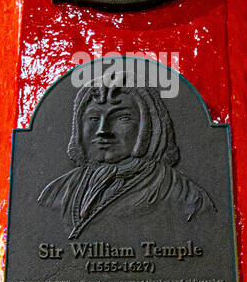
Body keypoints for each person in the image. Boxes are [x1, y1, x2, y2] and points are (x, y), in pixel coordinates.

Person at [39, 81, 214, 238]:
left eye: (122, 118)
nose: (103, 130)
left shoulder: (184, 196)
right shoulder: (56, 192)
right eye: (93, 118)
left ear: (147, 127)